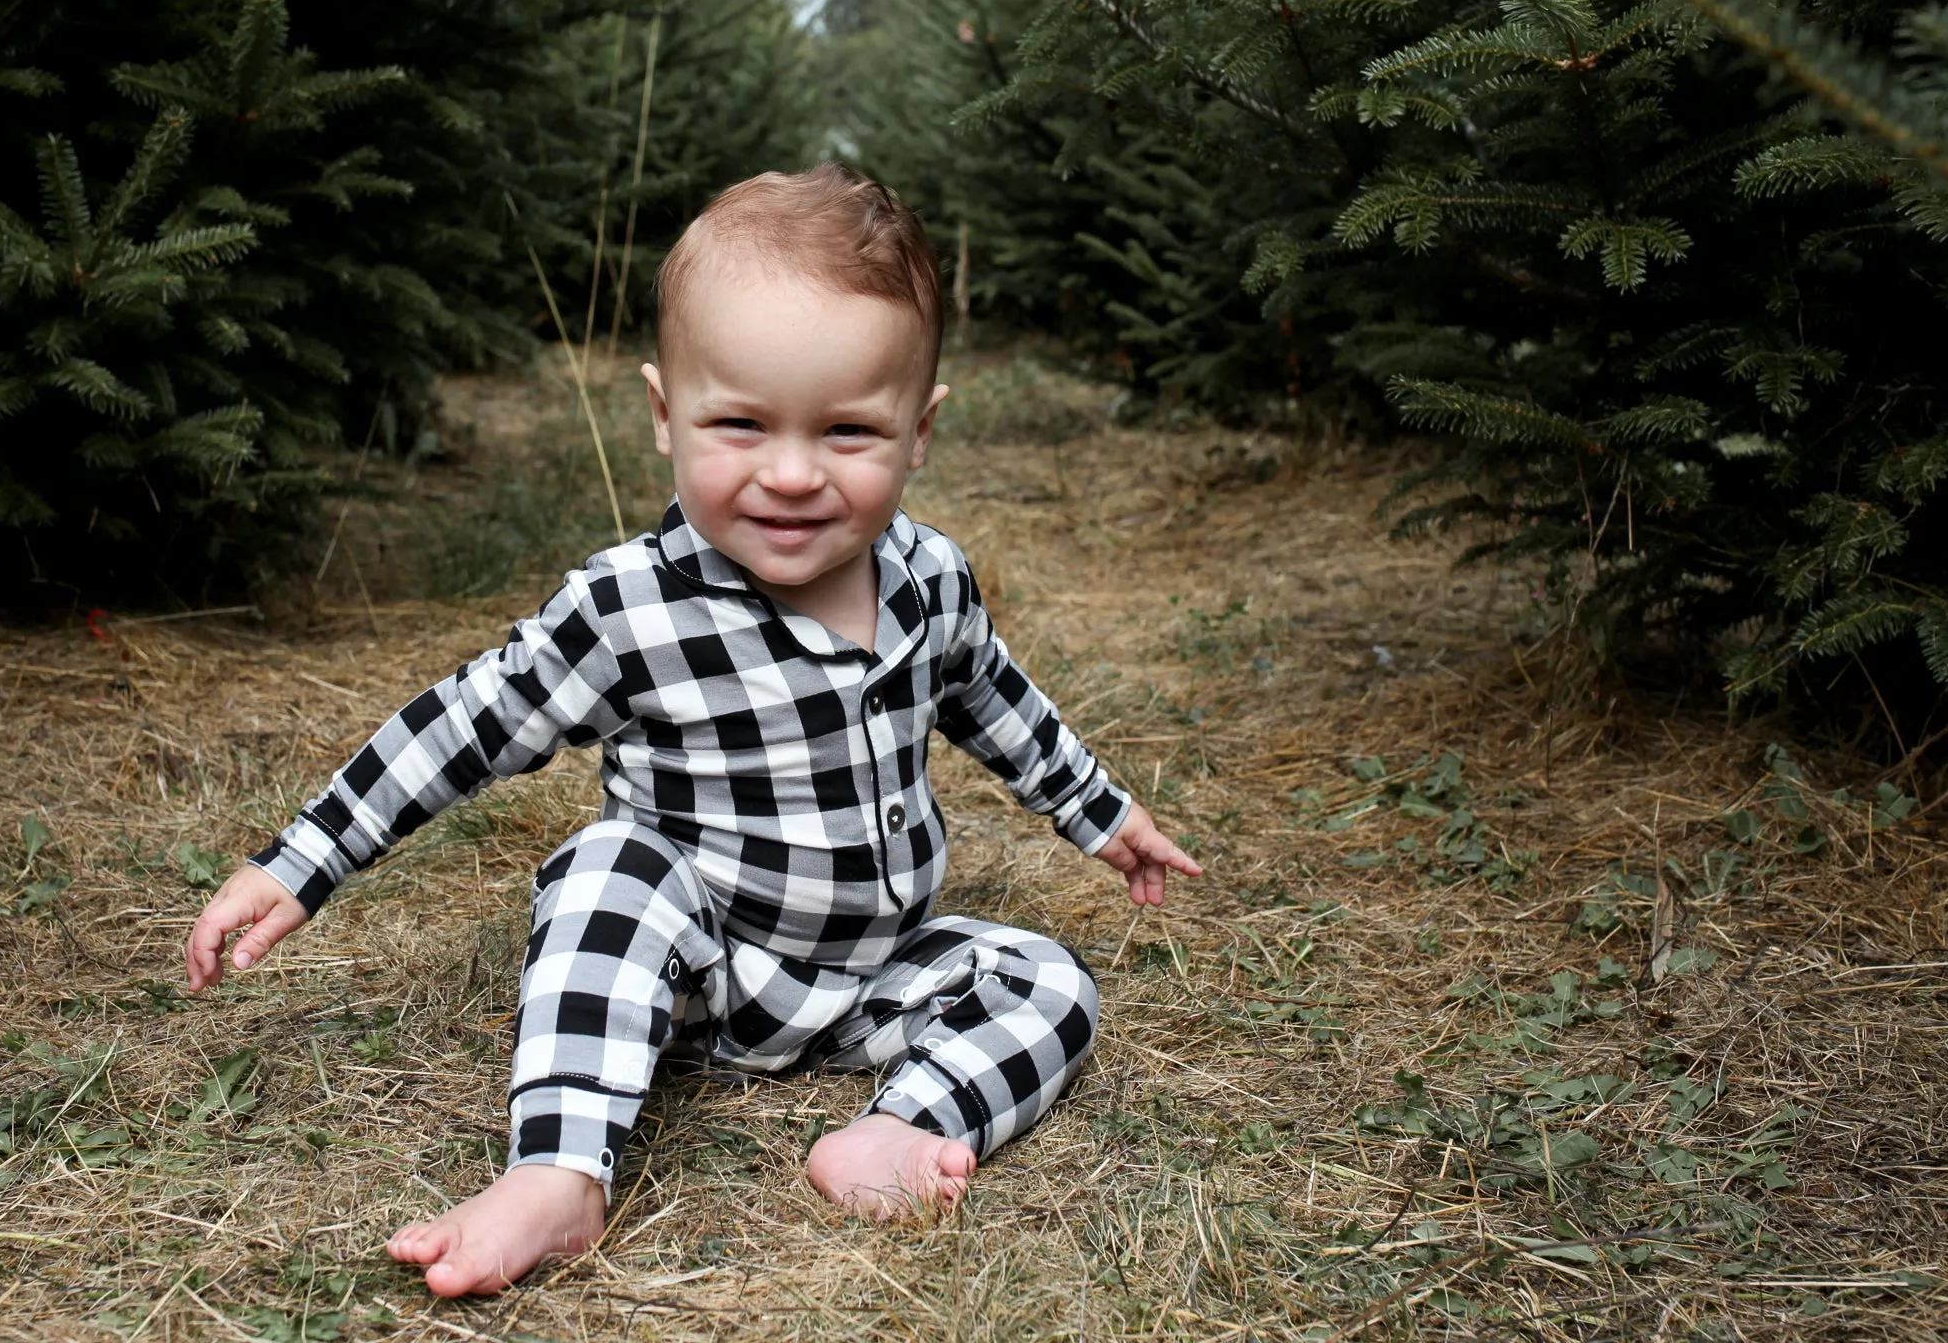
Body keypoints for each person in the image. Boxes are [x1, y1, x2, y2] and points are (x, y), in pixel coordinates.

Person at [183, 163, 1202, 1297]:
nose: (793, 473)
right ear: (666, 415)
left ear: (920, 431)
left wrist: (1100, 812)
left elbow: (996, 703)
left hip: (874, 980)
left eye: (850, 430)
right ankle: (559, 1172)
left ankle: (895, 1128)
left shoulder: (931, 578)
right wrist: (301, 862)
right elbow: (462, 726)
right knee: (607, 868)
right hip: (697, 970)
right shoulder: (633, 609)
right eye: (741, 424)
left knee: (1049, 979)